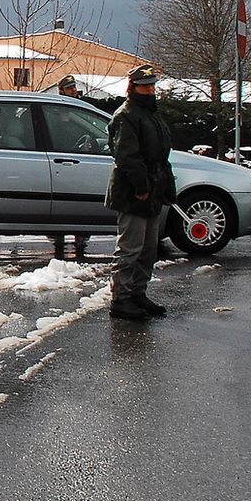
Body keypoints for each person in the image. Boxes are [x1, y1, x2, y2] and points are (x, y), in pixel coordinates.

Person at [104, 63, 177, 320]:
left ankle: (137, 293)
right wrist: (141, 186)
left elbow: (161, 155)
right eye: (144, 86)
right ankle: (121, 299)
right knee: (130, 249)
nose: (150, 90)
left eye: (151, 86)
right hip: (133, 192)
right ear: (132, 87)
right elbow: (127, 156)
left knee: (148, 249)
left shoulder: (150, 114)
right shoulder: (126, 115)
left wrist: (166, 186)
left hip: (152, 187)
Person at [52, 74, 91, 258]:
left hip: (79, 160)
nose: (73, 91)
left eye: (74, 87)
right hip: (60, 160)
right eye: (69, 88)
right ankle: (58, 238)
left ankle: (80, 237)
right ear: (61, 91)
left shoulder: (80, 108)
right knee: (61, 202)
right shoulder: (54, 111)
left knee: (80, 201)